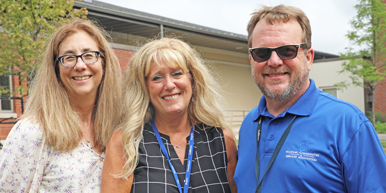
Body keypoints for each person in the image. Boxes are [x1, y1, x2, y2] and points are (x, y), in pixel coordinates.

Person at [234, 4, 386, 193]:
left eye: (287, 50)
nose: (273, 61)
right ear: (251, 59)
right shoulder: (249, 124)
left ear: (308, 58)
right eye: (262, 53)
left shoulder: (349, 124)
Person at [101, 38, 237, 193]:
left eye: (177, 74)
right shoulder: (126, 143)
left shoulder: (222, 141)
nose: (169, 85)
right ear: (145, 87)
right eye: (157, 77)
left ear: (192, 80)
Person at [0, 19, 122, 192]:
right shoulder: (33, 132)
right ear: (56, 69)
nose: (80, 65)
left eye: (89, 55)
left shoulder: (118, 128)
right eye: (68, 58)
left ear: (103, 62)